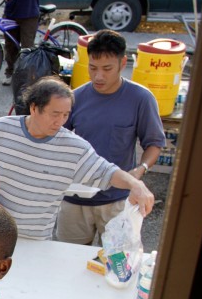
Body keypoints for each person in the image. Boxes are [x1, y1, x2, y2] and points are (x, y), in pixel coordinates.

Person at [0, 75, 155, 240]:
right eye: (55, 114)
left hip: (38, 240)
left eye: (66, 115)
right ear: (34, 108)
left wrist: (135, 184)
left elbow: (107, 172)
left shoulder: (74, 147)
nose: (60, 122)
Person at [56, 29, 165, 245]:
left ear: (123, 63)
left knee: (117, 263)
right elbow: (58, 140)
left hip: (118, 198)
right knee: (67, 262)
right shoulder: (75, 97)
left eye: (107, 69)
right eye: (92, 67)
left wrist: (139, 170)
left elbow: (154, 143)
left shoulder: (141, 98)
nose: (98, 76)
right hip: (75, 198)